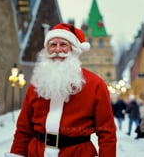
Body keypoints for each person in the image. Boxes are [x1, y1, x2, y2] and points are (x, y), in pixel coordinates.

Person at [7, 23, 116, 157]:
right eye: (53, 45)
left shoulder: (95, 85)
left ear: (74, 50)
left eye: (63, 45)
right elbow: (24, 129)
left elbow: (107, 133)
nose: (58, 50)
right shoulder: (36, 84)